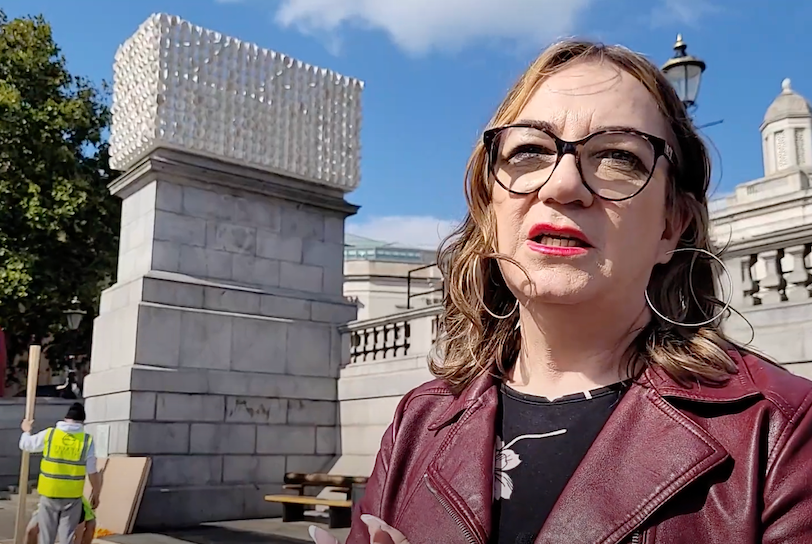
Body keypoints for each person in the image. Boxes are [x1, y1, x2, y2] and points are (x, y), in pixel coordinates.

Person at [310, 40, 812, 544]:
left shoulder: (783, 434)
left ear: (671, 226)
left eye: (618, 155)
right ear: (490, 211)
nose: (563, 184)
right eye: (529, 150)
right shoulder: (417, 423)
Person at [20, 402, 101, 544]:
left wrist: (26, 430)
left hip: (50, 494)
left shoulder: (50, 434)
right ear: (82, 421)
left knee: (46, 538)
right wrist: (96, 492)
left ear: (65, 418)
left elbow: (26, 445)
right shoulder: (86, 441)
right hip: (72, 497)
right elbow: (92, 471)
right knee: (67, 538)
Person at [26, 496, 96, 544]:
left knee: (90, 525)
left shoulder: (78, 507)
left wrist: (96, 492)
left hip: (72, 502)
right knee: (31, 530)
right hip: (51, 501)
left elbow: (77, 538)